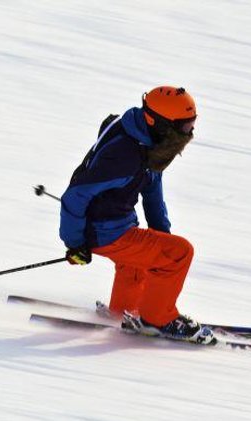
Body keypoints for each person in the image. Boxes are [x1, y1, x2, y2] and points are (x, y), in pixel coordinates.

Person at [59, 86, 201, 340]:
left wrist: (161, 237)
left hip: (117, 223)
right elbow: (75, 195)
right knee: (180, 253)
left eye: (191, 124)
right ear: (158, 122)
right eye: (184, 127)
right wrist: (75, 243)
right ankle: (158, 320)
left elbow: (152, 189)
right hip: (103, 232)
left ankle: (123, 312)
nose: (189, 133)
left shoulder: (147, 139)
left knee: (146, 257)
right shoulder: (125, 156)